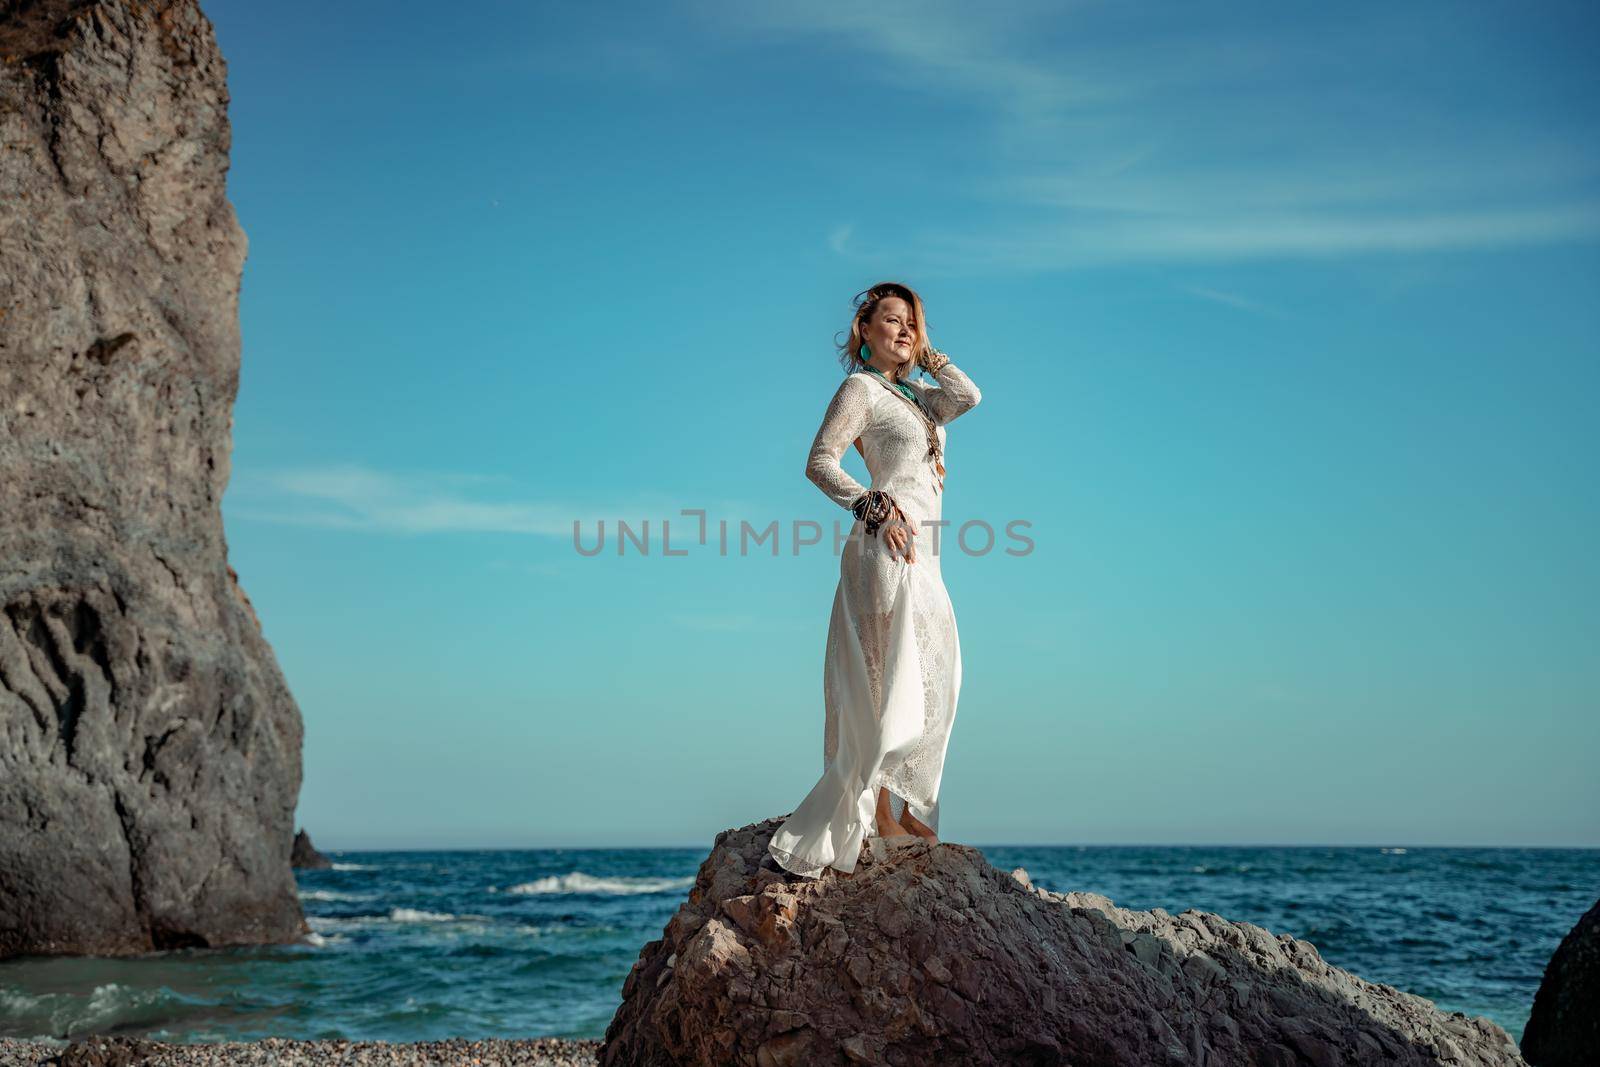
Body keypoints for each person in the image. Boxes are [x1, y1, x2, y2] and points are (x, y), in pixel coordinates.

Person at [767, 281, 982, 879]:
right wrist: (873, 507)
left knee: (939, 670)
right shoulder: (859, 389)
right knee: (890, 670)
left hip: (926, 553)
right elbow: (819, 462)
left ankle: (899, 800)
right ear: (864, 330)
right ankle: (880, 812)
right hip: (883, 542)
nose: (905, 330)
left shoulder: (919, 397)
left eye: (913, 321)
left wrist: (930, 355)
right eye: (892, 320)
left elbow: (968, 396)